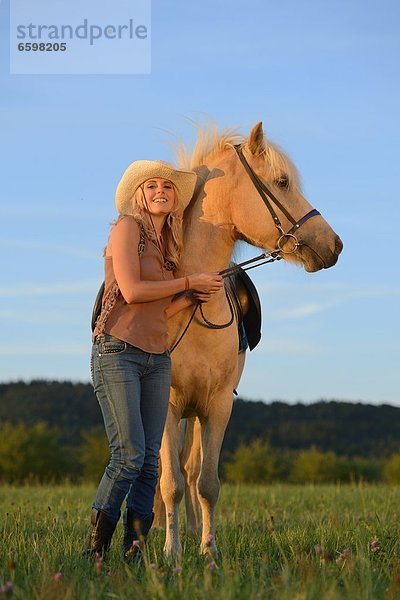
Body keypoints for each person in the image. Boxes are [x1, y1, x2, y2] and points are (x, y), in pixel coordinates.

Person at [87, 159, 223, 559]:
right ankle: (95, 548)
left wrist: (189, 296)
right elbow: (130, 291)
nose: (160, 190)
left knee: (150, 461)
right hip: (118, 351)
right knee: (128, 455)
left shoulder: (170, 247)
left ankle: (135, 546)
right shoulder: (127, 229)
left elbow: (158, 311)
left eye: (167, 186)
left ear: (176, 198)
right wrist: (188, 282)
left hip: (156, 357)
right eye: (151, 186)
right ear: (139, 195)